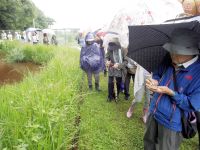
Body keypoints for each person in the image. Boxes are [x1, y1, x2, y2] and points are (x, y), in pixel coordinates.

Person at [144, 28, 200, 150]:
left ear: (191, 52)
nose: (172, 55)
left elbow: (192, 104)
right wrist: (155, 80)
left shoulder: (198, 73)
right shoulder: (168, 59)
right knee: (148, 144)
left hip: (171, 123)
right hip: (153, 112)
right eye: (171, 50)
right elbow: (158, 73)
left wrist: (171, 93)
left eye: (177, 52)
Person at [105, 37, 127, 101]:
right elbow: (106, 57)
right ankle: (110, 96)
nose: (112, 48)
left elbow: (126, 61)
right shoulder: (109, 48)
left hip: (120, 70)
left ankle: (115, 95)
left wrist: (119, 65)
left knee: (118, 83)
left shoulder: (123, 49)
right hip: (111, 69)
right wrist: (107, 61)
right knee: (110, 83)